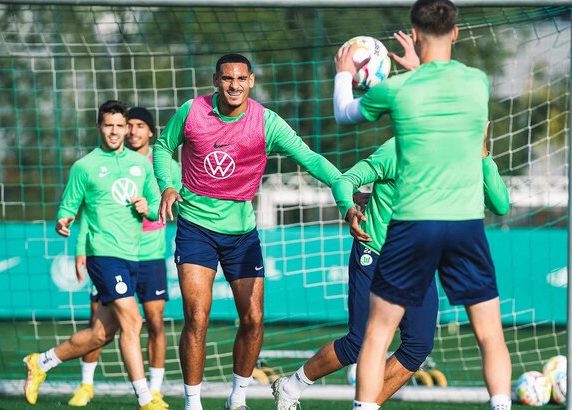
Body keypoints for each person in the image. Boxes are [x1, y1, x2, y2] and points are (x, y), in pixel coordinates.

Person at [334, 1, 513, 409]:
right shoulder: (478, 83)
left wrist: (345, 75)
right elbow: (438, 89)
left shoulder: (397, 89)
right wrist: (420, 66)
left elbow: (344, 113)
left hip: (413, 225)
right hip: (465, 223)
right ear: (456, 32)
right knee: (490, 333)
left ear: (414, 34)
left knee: (377, 335)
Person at [153, 53, 341, 410]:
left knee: (253, 319)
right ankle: (193, 403)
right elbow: (163, 146)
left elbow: (309, 157)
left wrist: (342, 183)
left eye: (241, 78)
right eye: (227, 78)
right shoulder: (192, 112)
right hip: (196, 228)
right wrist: (167, 184)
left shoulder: (266, 122)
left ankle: (237, 399)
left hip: (242, 234)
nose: (234, 85)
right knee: (197, 317)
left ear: (251, 81)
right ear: (215, 80)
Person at [272, 128, 509, 408]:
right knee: (358, 343)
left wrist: (482, 153)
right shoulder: (397, 149)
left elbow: (500, 204)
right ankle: (290, 387)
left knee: (418, 346)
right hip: (375, 253)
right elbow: (346, 180)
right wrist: (348, 209)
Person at [22, 100, 165, 410]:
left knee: (101, 334)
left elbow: (157, 206)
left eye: (119, 126)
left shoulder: (141, 166)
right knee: (134, 321)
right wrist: (63, 219)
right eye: (108, 125)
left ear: (126, 128)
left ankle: (41, 362)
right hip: (102, 255)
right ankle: (145, 398)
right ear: (99, 127)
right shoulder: (84, 166)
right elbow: (68, 205)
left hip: (134, 257)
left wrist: (147, 207)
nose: (114, 132)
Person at [68, 107, 181, 407]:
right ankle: (86, 385)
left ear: (150, 133)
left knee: (154, 322)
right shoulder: (103, 163)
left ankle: (153, 391)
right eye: (127, 125)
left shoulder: (163, 166)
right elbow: (89, 211)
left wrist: (153, 209)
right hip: (109, 253)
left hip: (151, 254)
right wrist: (81, 248)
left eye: (139, 126)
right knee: (101, 324)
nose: (132, 131)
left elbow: (175, 204)